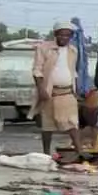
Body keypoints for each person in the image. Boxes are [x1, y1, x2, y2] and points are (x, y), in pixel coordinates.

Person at [32, 21, 85, 158]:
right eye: (61, 35)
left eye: (67, 36)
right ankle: (45, 153)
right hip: (50, 92)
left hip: (67, 92)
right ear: (56, 34)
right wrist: (41, 89)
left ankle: (80, 151)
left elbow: (73, 71)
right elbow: (37, 70)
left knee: (72, 123)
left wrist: (77, 90)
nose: (64, 38)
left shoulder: (73, 50)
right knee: (47, 125)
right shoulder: (44, 48)